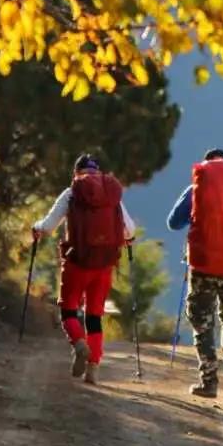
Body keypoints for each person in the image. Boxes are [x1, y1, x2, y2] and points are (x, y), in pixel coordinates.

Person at [32, 154, 136, 386]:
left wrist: (36, 227)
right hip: (104, 265)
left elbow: (48, 226)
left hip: (77, 263)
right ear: (98, 171)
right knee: (94, 316)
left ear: (76, 172)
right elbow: (129, 230)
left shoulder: (71, 193)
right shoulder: (111, 195)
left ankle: (79, 344)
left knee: (68, 310)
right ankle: (93, 369)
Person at [167, 148, 223, 399]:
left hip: (203, 264)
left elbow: (173, 223)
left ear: (205, 168)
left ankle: (209, 382)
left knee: (202, 319)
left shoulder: (195, 189)